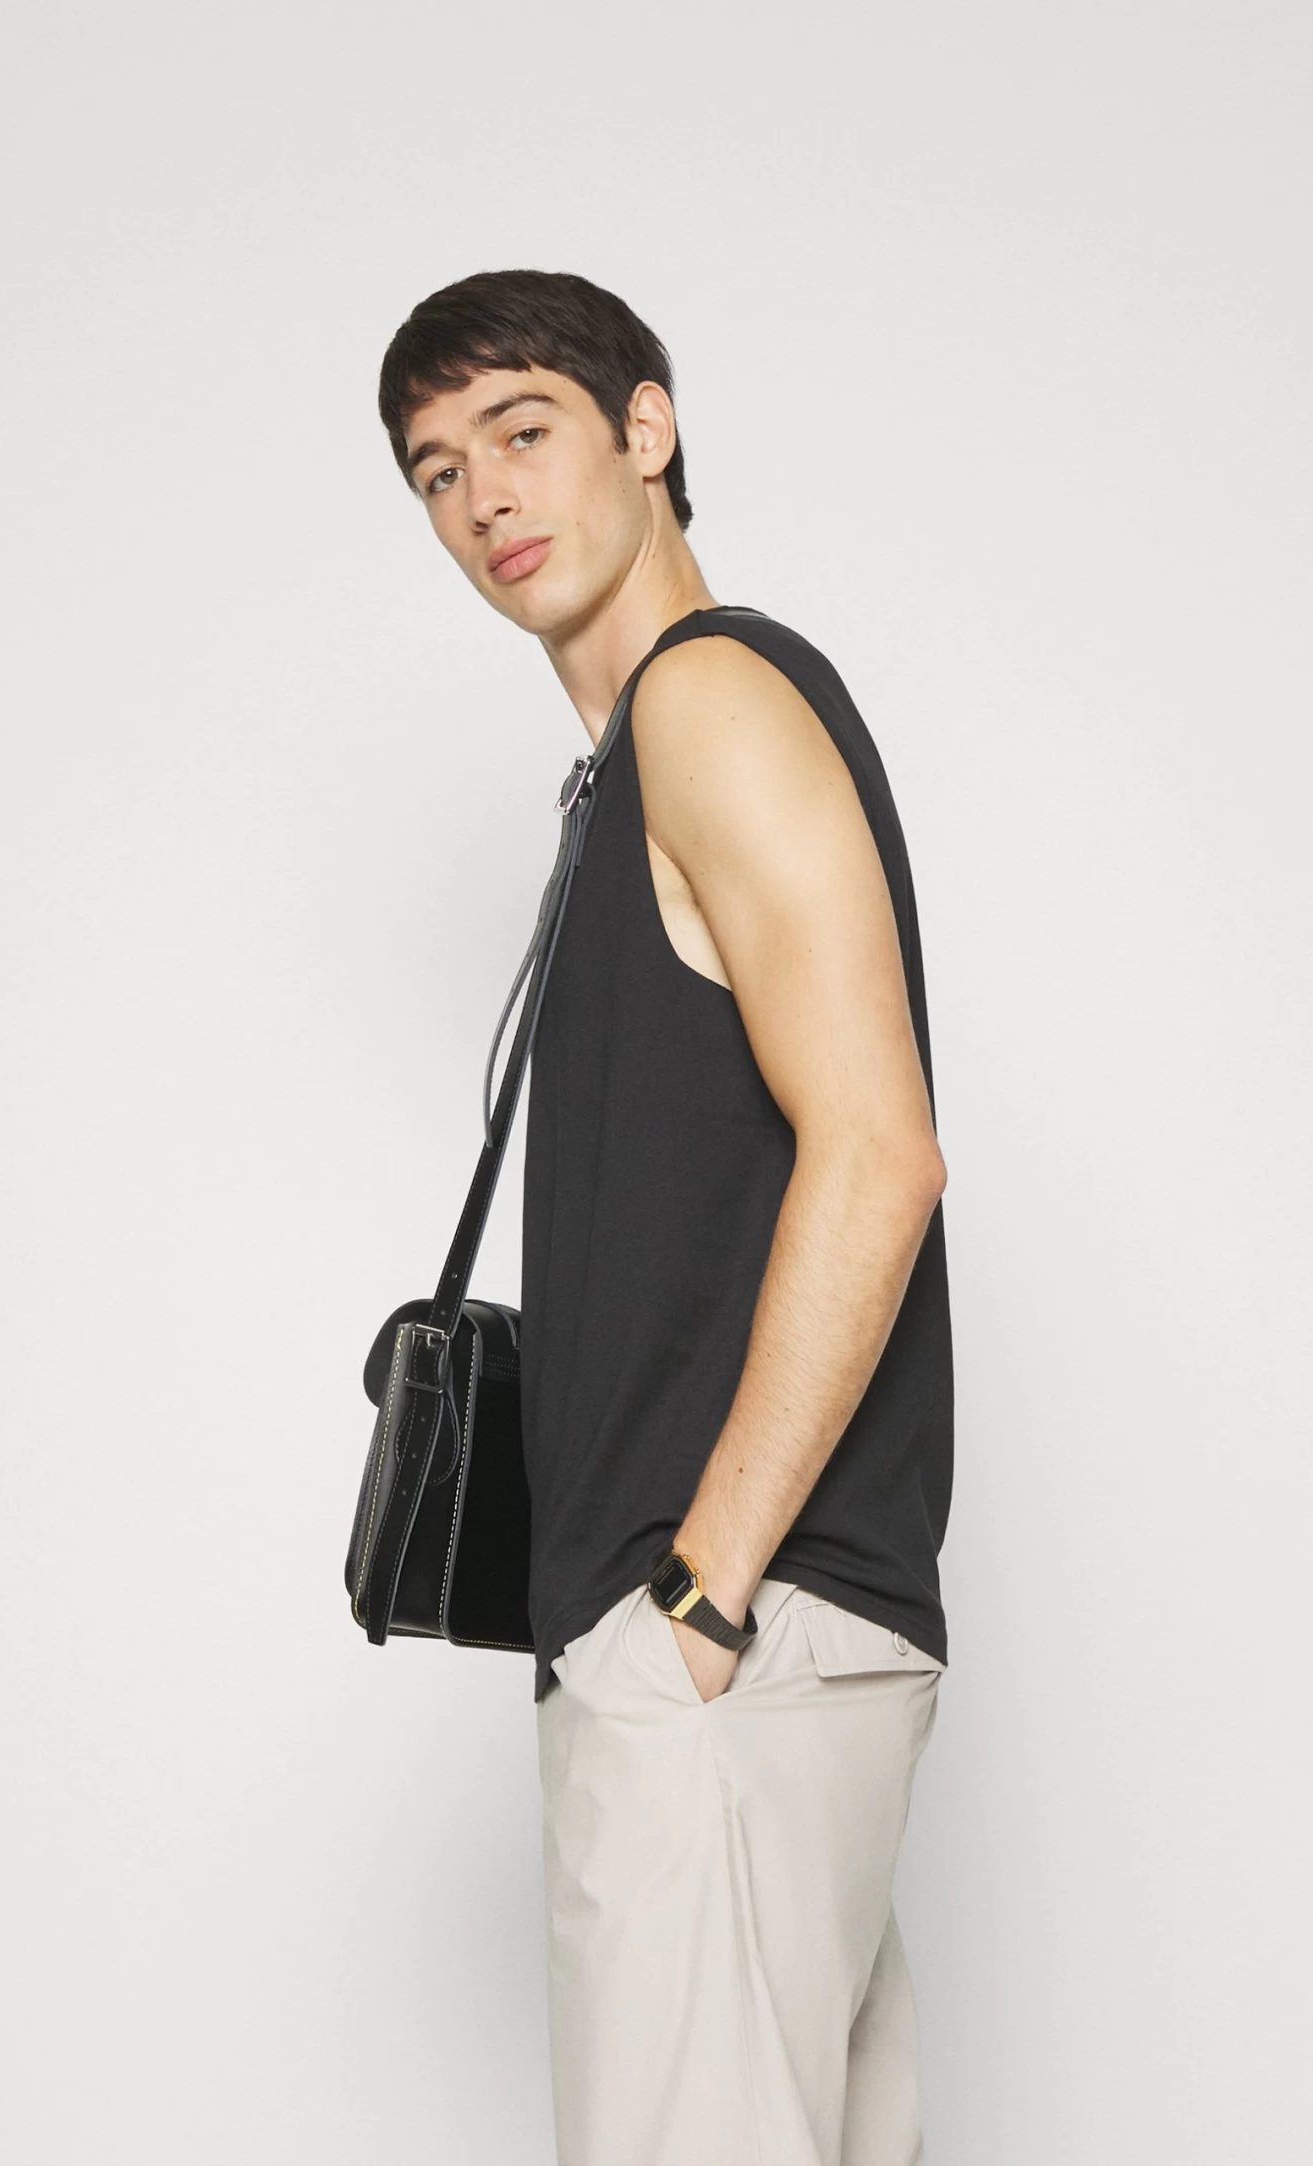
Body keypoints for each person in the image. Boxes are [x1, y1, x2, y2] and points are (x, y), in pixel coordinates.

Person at [377, 269, 954, 2166]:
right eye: (436, 470)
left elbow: (877, 1151)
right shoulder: (637, 754)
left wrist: (695, 1603)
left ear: (649, 428)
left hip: (730, 1644)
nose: (483, 497)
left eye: (522, 428)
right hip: (766, 1660)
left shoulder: (706, 700)